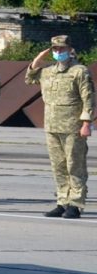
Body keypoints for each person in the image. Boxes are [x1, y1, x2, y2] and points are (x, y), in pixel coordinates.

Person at [25, 35, 91, 218]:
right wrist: (39, 57)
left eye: (61, 49)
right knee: (58, 166)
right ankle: (62, 201)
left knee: (74, 165)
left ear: (70, 50)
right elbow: (29, 78)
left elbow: (88, 99)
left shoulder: (79, 71)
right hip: (52, 126)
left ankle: (75, 203)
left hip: (72, 127)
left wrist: (87, 123)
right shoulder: (48, 71)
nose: (58, 52)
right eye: (55, 49)